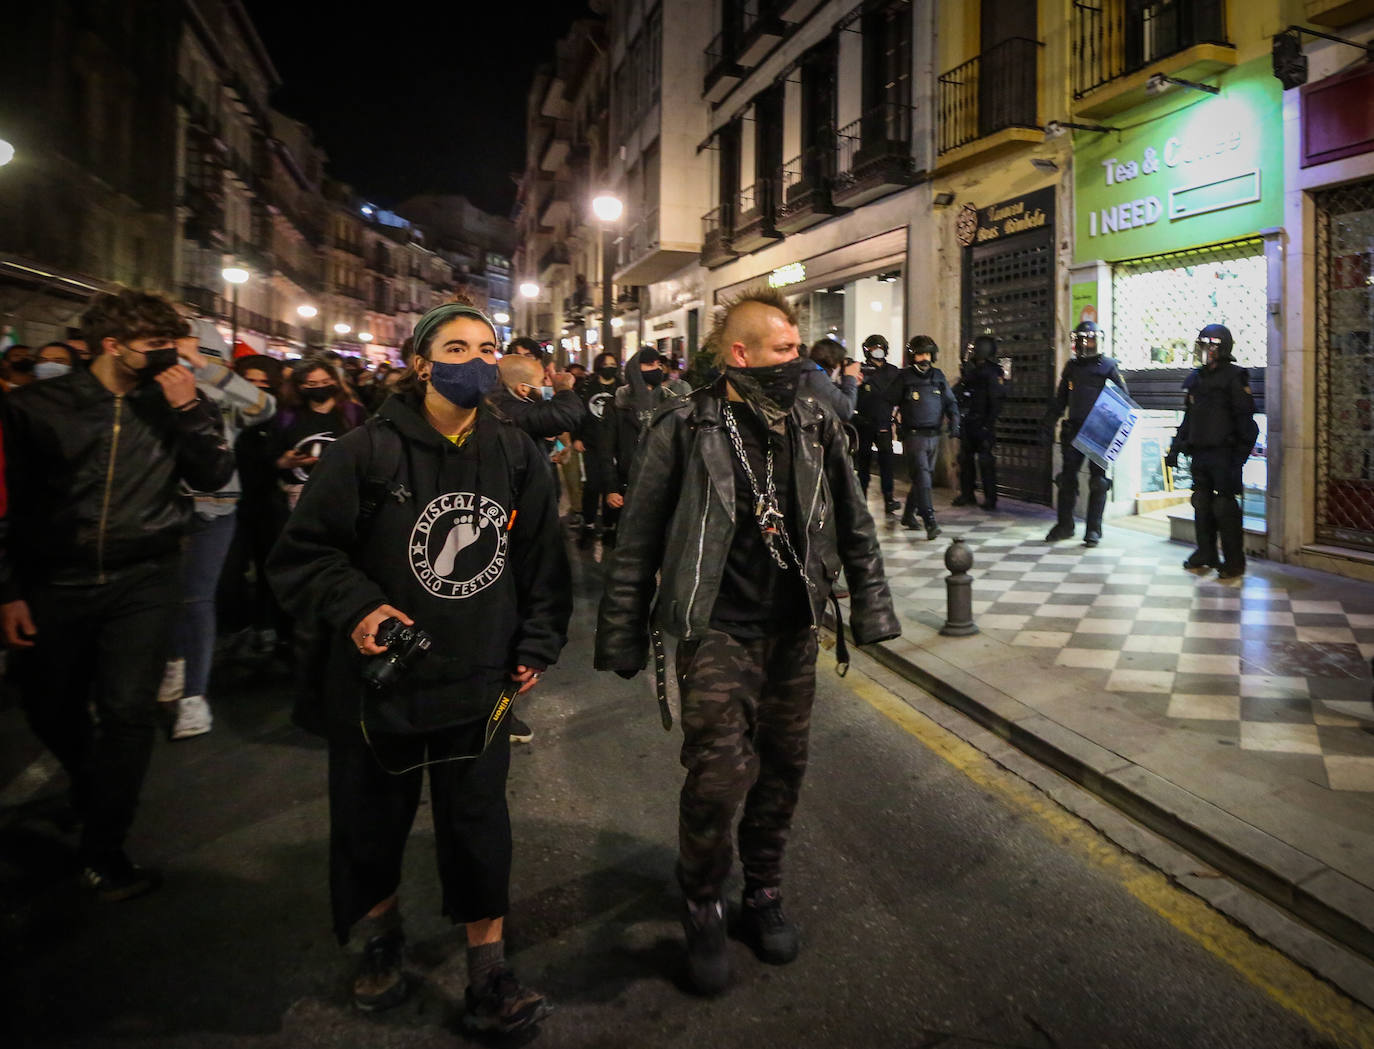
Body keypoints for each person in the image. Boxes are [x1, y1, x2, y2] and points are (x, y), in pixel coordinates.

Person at [267, 302, 570, 1035]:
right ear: (421, 362)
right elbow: (305, 555)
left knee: (478, 824)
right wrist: (360, 608)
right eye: (456, 345)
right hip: (381, 684)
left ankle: (488, 969)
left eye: (488, 346)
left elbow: (541, 562)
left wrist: (535, 644)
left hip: (478, 677)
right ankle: (379, 936)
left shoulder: (514, 452)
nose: (476, 357)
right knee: (372, 821)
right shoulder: (363, 451)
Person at [594, 287, 898, 995]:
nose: (799, 362)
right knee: (718, 775)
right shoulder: (683, 425)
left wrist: (873, 608)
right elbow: (637, 538)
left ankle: (762, 889)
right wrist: (622, 633)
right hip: (717, 629)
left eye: (798, 349)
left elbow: (854, 519)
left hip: (793, 628)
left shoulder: (814, 421)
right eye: (786, 350)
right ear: (741, 354)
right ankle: (703, 898)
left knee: (783, 766)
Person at [0, 288, 234, 900]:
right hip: (56, 581)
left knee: (128, 713)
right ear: (113, 345)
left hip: (145, 577)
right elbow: (11, 506)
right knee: (49, 704)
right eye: (157, 347)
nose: (169, 358)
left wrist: (189, 410)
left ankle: (105, 852)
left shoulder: (173, 401)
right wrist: (9, 590)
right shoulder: (36, 407)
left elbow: (212, 475)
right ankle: (88, 782)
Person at [158, 320, 277, 739]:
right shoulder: (157, 389)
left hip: (215, 506)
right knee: (166, 594)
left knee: (197, 597)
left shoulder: (224, 395)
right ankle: (174, 661)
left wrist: (206, 369)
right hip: (159, 506)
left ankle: (194, 697)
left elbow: (265, 407)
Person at [1166, 324, 1258, 580]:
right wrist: (1175, 448)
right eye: (1202, 346)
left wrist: (1237, 460)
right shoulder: (1196, 378)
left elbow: (1247, 425)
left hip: (1224, 455)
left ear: (1222, 348)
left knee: (1224, 507)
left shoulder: (1234, 377)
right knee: (1202, 503)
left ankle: (1233, 561)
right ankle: (1205, 552)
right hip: (1200, 454)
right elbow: (1188, 419)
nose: (1205, 351)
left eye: (1210, 346)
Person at [1042, 321, 1128, 546]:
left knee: (1098, 482)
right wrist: (1048, 423)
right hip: (1074, 429)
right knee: (1067, 480)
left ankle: (1093, 530)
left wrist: (1112, 428)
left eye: (1089, 340)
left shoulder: (1109, 366)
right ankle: (1064, 525)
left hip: (1099, 430)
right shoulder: (1071, 367)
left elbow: (1122, 400)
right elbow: (1061, 398)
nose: (1086, 344)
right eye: (1081, 340)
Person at [596, 346, 684, 544]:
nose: (656, 368)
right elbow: (606, 450)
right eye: (649, 364)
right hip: (630, 486)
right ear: (636, 369)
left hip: (664, 485)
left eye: (659, 364)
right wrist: (611, 488)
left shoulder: (671, 401)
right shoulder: (618, 404)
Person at [272, 357, 366, 511]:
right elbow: (272, 455)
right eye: (312, 384)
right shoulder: (287, 416)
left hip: (342, 495)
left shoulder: (353, 413)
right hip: (299, 499)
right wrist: (284, 461)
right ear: (300, 386)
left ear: (335, 381)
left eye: (326, 382)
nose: (320, 387)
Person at [896, 336, 959, 538]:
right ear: (912, 356)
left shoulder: (938, 376)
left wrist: (955, 422)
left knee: (924, 477)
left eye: (927, 354)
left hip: (934, 435)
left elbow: (950, 402)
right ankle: (930, 521)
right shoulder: (904, 377)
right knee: (923, 476)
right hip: (913, 436)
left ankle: (908, 515)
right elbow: (886, 401)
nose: (924, 358)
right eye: (919, 354)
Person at [575, 351, 623, 548]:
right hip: (591, 443)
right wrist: (576, 436)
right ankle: (588, 524)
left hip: (615, 445)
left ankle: (610, 527)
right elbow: (578, 412)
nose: (610, 367)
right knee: (592, 485)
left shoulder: (621, 388)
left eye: (613, 363)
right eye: (606, 363)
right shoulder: (587, 386)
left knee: (612, 485)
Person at [952, 334, 1005, 510]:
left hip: (982, 423)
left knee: (985, 462)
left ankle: (991, 499)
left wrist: (987, 424)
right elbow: (960, 390)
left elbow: (996, 401)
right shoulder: (973, 370)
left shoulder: (991, 372)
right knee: (965, 460)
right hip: (969, 422)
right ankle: (967, 494)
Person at [853, 333, 903, 513]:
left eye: (880, 348)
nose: (878, 352)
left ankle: (889, 499)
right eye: (874, 348)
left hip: (883, 422)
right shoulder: (860, 370)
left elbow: (900, 395)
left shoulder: (893, 371)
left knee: (886, 463)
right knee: (863, 463)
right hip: (864, 423)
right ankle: (861, 500)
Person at [487, 355, 585, 444]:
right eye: (542, 382)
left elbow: (547, 412)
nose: (546, 385)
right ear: (523, 389)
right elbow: (567, 415)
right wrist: (563, 386)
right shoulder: (511, 412)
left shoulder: (503, 402)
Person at [804, 336, 860, 421]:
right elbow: (846, 410)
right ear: (834, 362)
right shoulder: (814, 376)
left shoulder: (808, 373)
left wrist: (847, 385)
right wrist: (850, 378)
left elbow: (829, 394)